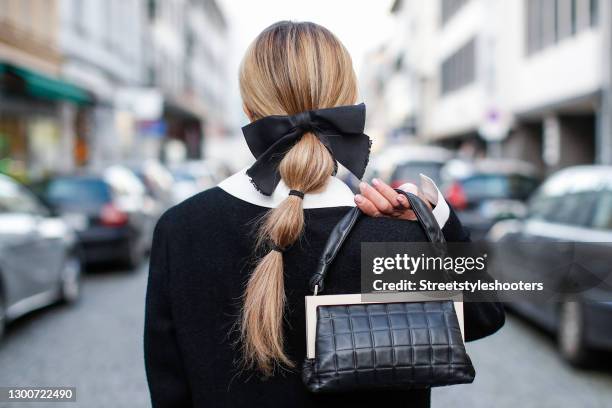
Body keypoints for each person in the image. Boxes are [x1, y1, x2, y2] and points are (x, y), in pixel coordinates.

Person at [144, 21, 504, 408]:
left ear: (249, 110)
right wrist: (437, 218)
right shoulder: (394, 239)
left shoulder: (180, 230)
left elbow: (170, 391)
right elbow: (484, 314)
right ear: (348, 105)